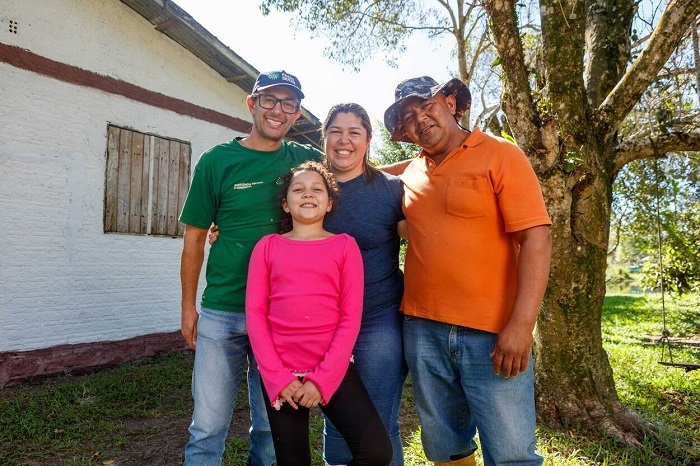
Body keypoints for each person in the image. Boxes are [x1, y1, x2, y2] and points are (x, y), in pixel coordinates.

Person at [383, 76, 552, 466]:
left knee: (511, 452)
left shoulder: (501, 156)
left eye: (427, 106)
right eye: (408, 117)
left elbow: (536, 240)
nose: (420, 119)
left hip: (493, 332)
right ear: (405, 132)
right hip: (422, 330)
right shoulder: (410, 172)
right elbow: (356, 174)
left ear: (453, 103)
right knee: (444, 446)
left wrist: (521, 325)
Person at [179, 70, 322, 465]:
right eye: (270, 101)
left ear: (296, 114)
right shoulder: (217, 161)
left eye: (288, 104)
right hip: (222, 311)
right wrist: (188, 307)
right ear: (252, 103)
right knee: (207, 426)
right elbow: (193, 239)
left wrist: (422, 167)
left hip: (280, 317)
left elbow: (358, 170)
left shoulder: (303, 161)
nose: (278, 110)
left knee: (271, 427)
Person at [246, 161, 393, 466]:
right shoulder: (267, 247)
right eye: (298, 189)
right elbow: (256, 315)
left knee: (377, 451)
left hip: (332, 369)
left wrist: (322, 380)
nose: (308, 194)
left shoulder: (344, 246)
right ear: (286, 204)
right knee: (293, 461)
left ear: (329, 203)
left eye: (317, 189)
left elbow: (350, 317)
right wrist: (277, 377)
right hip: (281, 374)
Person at [321, 103, 407, 466]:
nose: (344, 141)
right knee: (338, 424)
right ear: (323, 137)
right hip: (322, 324)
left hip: (378, 318)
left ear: (368, 140)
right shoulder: (306, 187)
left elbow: (429, 232)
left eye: (354, 132)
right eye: (336, 132)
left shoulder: (391, 190)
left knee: (379, 424)